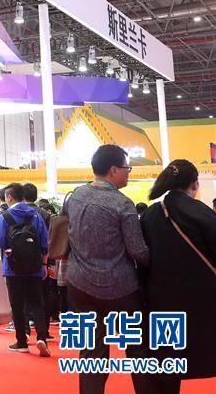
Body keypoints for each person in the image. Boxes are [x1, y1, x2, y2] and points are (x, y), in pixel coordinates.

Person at [63, 145, 154, 394]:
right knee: (137, 349)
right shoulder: (122, 203)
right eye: (127, 168)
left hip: (79, 285)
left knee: (91, 351)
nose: (128, 173)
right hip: (120, 289)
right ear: (114, 170)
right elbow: (137, 250)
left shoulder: (76, 195)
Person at [140, 160, 216, 394]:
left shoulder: (151, 214)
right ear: (194, 184)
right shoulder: (202, 212)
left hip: (162, 301)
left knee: (167, 363)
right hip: (205, 301)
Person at [0, 182, 51, 356]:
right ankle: (42, 337)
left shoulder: (4, 217)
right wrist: (44, 265)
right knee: (36, 302)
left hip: (12, 267)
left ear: (9, 197)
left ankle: (21, 341)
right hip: (34, 266)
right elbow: (44, 242)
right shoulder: (36, 215)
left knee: (17, 304)